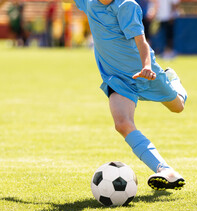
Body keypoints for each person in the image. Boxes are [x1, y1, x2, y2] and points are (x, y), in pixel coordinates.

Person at [73, 0, 188, 190]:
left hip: (144, 73)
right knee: (122, 124)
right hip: (118, 79)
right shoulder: (89, 3)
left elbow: (141, 40)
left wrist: (147, 67)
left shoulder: (126, 6)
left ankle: (174, 81)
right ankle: (165, 170)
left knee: (178, 106)